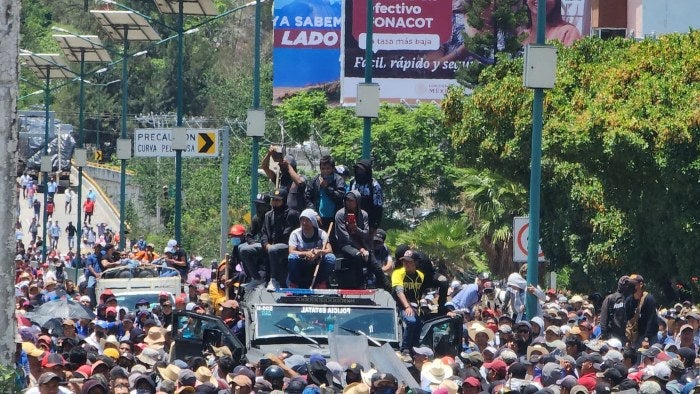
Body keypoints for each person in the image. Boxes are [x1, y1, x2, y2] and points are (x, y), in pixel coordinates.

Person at [333, 190, 386, 289]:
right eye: (346, 200)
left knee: (375, 265)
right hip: (346, 245)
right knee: (358, 256)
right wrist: (360, 249)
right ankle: (360, 284)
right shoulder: (340, 214)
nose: (348, 202)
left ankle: (387, 287)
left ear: (357, 202)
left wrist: (355, 229)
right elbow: (345, 237)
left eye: (351, 200)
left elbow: (366, 234)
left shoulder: (364, 214)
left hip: (363, 244)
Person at [261, 187, 299, 291]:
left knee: (273, 249)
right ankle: (256, 278)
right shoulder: (268, 215)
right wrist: (266, 244)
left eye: (278, 200)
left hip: (287, 245)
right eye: (273, 200)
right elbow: (263, 233)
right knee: (245, 249)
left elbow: (290, 233)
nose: (275, 202)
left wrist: (272, 246)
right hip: (271, 246)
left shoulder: (292, 214)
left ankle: (273, 280)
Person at [287, 208, 336, 288]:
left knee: (331, 258)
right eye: (302, 220)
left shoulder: (321, 233)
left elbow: (329, 250)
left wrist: (319, 252)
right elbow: (291, 251)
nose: (304, 223)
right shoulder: (295, 234)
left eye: (307, 220)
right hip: (302, 260)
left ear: (313, 221)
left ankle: (321, 283)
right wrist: (306, 253)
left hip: (318, 261)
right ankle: (294, 284)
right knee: (292, 258)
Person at [392, 249, 425, 351]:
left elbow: (419, 293)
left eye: (408, 261)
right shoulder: (398, 273)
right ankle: (405, 350)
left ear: (416, 262)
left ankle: (414, 350)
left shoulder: (420, 275)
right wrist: (407, 306)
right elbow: (399, 291)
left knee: (419, 325)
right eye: (404, 261)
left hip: (414, 306)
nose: (405, 263)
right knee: (411, 321)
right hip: (401, 305)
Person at [305, 155, 346, 231]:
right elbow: (308, 198)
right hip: (318, 218)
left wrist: (327, 188)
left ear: (333, 168)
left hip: (335, 218)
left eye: (328, 168)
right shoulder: (315, 181)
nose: (325, 171)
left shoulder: (338, 180)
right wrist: (314, 213)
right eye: (323, 169)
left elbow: (340, 196)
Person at [240, 194, 270, 290]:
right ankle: (254, 277)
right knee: (241, 248)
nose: (258, 208)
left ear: (267, 206)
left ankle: (262, 277)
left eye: (261, 205)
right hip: (260, 244)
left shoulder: (271, 216)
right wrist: (252, 242)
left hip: (271, 244)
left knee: (245, 250)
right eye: (257, 205)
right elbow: (249, 235)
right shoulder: (256, 218)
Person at [261, 147, 306, 212]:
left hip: (295, 215)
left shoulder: (300, 178)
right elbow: (264, 167)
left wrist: (288, 166)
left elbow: (299, 183)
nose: (282, 168)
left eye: (283, 166)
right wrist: (269, 154)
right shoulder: (279, 179)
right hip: (281, 214)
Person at [349, 159, 384, 232]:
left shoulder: (374, 185)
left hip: (369, 223)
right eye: (358, 170)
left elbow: (378, 207)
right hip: (353, 222)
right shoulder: (353, 183)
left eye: (361, 170)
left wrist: (374, 225)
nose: (359, 172)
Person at [624, 274, 657, 348]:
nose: (630, 287)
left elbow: (651, 320)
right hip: (635, 337)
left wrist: (646, 338)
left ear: (641, 284)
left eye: (633, 284)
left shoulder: (649, 299)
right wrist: (628, 339)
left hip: (648, 337)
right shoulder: (629, 300)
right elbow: (628, 321)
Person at [599, 275, 630, 341]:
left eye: (628, 283)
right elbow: (603, 319)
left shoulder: (631, 298)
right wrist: (604, 335)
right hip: (613, 336)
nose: (626, 285)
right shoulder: (610, 299)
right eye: (624, 283)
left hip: (628, 336)